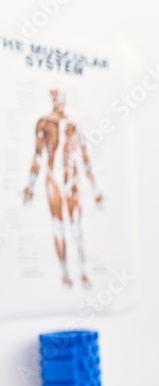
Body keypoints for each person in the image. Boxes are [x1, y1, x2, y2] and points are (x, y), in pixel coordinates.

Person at [23, 89, 103, 288]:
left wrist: (95, 190)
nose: (60, 101)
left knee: (77, 228)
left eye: (62, 98)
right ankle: (65, 273)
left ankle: (83, 272)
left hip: (72, 179)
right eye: (57, 98)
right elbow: (38, 155)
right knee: (58, 227)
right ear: (52, 99)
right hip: (53, 179)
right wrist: (30, 185)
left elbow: (85, 157)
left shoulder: (74, 125)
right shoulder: (44, 123)